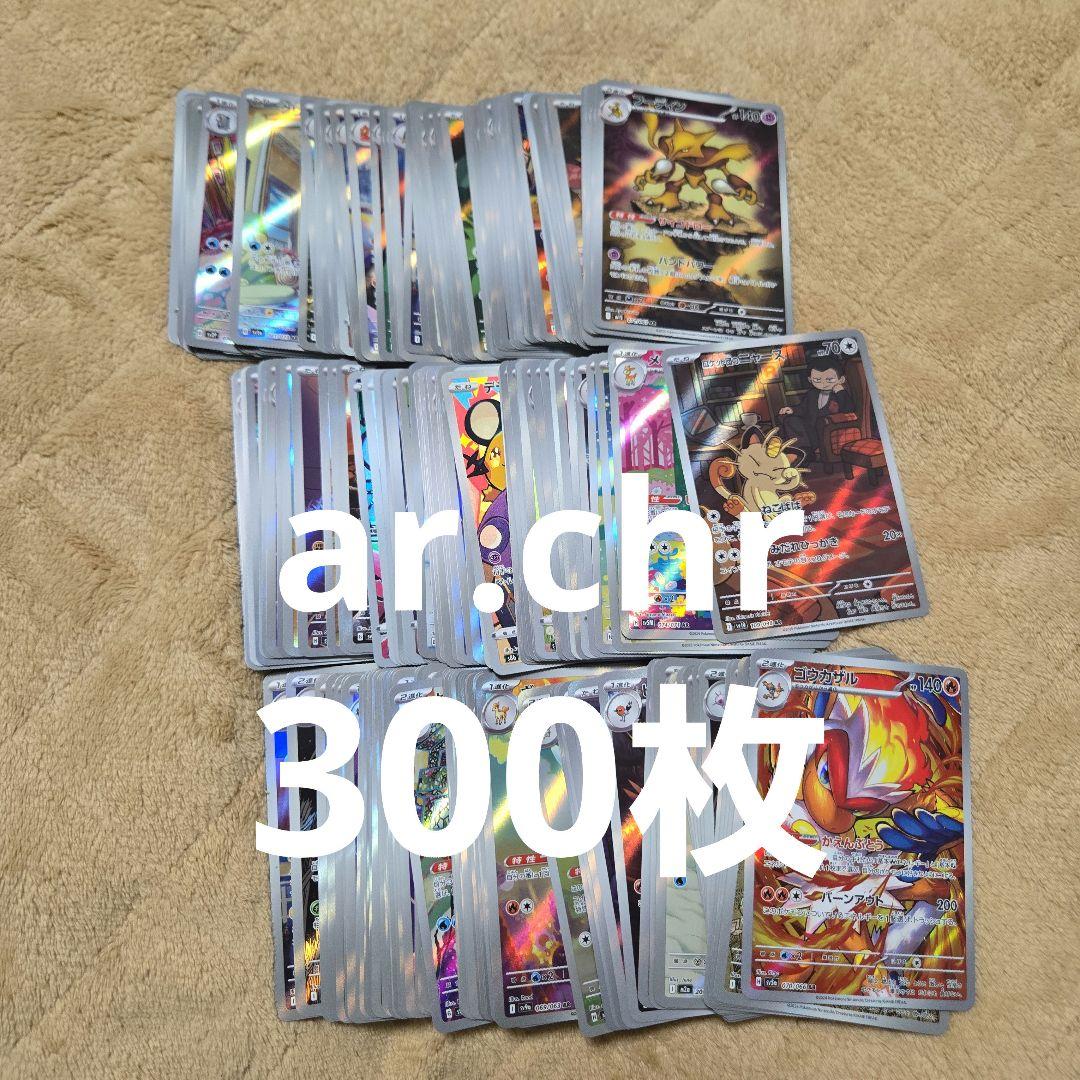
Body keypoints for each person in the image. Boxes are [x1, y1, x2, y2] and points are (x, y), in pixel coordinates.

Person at [779, 356, 856, 461]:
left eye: (829, 379)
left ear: (841, 379)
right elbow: (803, 408)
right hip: (809, 431)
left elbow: (849, 409)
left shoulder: (840, 394)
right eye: (817, 380)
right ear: (810, 380)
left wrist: (840, 392)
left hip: (826, 431)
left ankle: (804, 453)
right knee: (790, 420)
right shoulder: (812, 394)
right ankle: (803, 452)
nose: (823, 383)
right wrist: (792, 410)